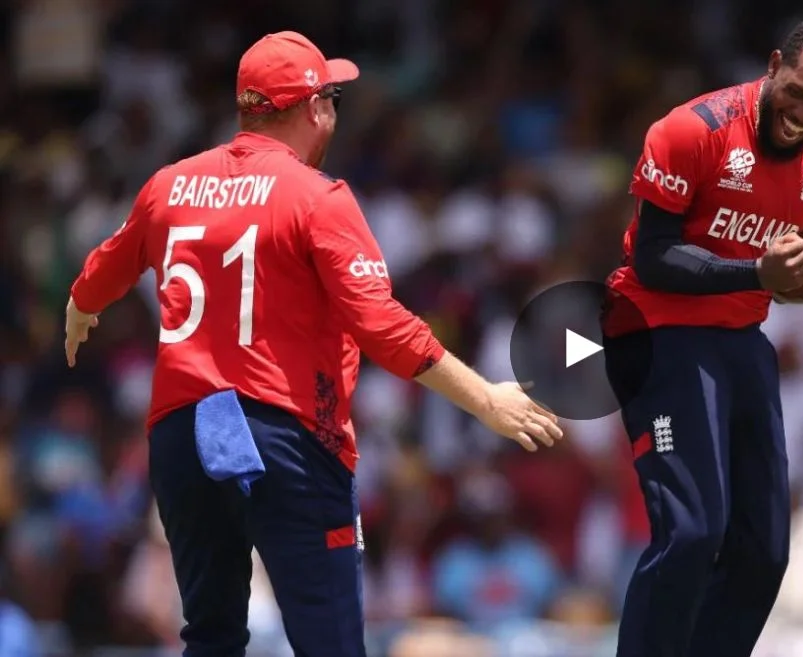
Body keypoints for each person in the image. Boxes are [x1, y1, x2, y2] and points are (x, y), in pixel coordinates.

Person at [62, 31, 563, 657]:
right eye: (331, 97)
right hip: (284, 437)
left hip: (183, 436)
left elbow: (105, 267)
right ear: (314, 108)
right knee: (330, 644)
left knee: (210, 638)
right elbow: (380, 324)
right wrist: (485, 399)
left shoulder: (169, 185)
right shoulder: (317, 197)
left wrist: (80, 308)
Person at [600, 17, 803, 657]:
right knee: (694, 532)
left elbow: (791, 282)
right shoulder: (691, 130)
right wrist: (756, 270)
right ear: (775, 63)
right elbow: (652, 257)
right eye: (797, 92)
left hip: (739, 340)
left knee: (764, 552)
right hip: (656, 331)